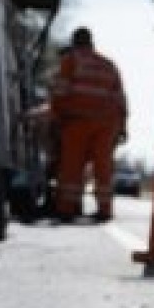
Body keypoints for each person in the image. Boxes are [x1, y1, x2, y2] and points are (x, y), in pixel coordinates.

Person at [50, 27, 128, 222]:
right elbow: (120, 99)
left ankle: (67, 208)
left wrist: (57, 117)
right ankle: (105, 209)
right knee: (103, 167)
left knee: (72, 166)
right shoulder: (108, 64)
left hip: (77, 121)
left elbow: (60, 92)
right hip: (106, 124)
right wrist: (123, 127)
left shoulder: (71, 60)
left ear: (75, 42)